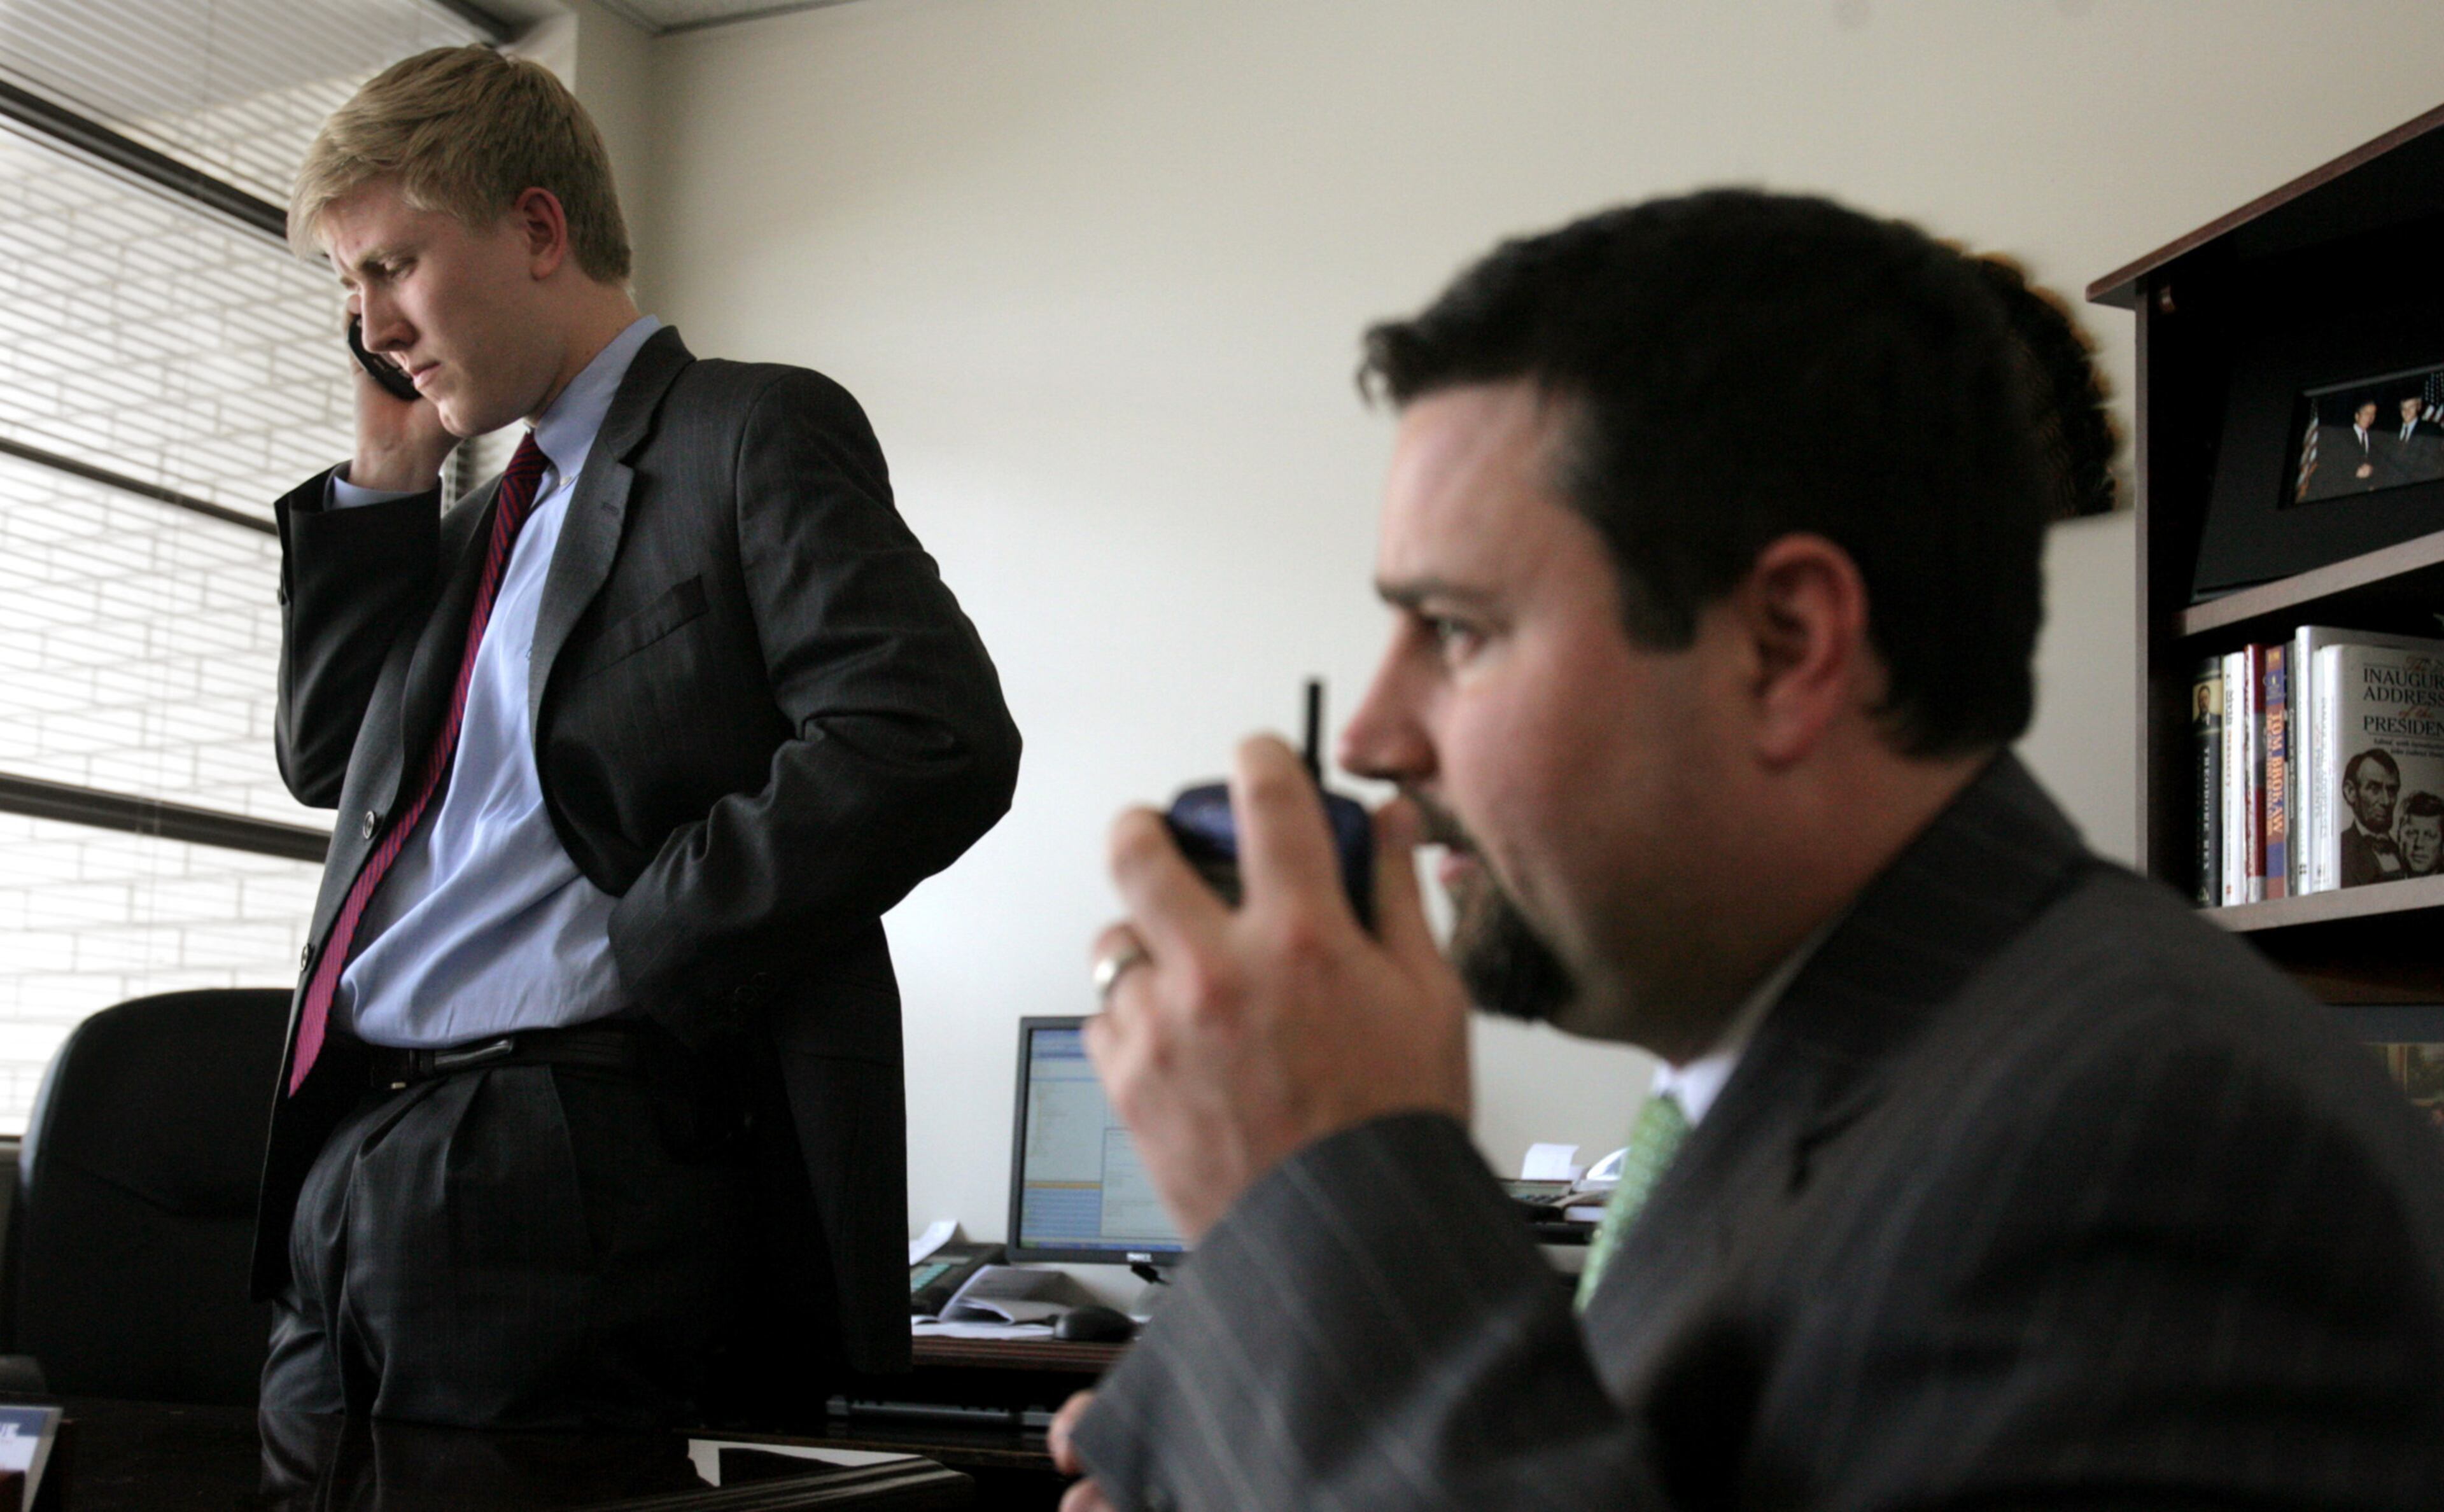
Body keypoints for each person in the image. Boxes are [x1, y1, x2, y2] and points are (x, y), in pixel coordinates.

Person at [1053, 192, 2444, 1509]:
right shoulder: (1801, 1094)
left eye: (1459, 633)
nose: (1369, 735)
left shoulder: (2149, 1145)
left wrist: (1325, 1191)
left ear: (1785, 647)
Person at [258, 46, 1020, 1427]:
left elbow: (924, 731)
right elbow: (332, 764)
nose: (369, 324)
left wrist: (641, 939)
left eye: (393, 267)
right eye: (345, 288)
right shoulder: (485, 519)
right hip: (354, 1156)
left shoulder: (744, 432)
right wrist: (386, 485)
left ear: (539, 230)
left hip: (556, 1154)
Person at [2340, 748, 2406, 887]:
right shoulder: (2339, 851)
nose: (2386, 801)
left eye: (2392, 790)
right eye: (2374, 789)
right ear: (2351, 792)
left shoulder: (2406, 852)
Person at [2396, 790, 2443, 879]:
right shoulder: (2380, 884)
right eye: (2412, 834)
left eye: (2430, 835)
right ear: (2400, 838)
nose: (2419, 844)